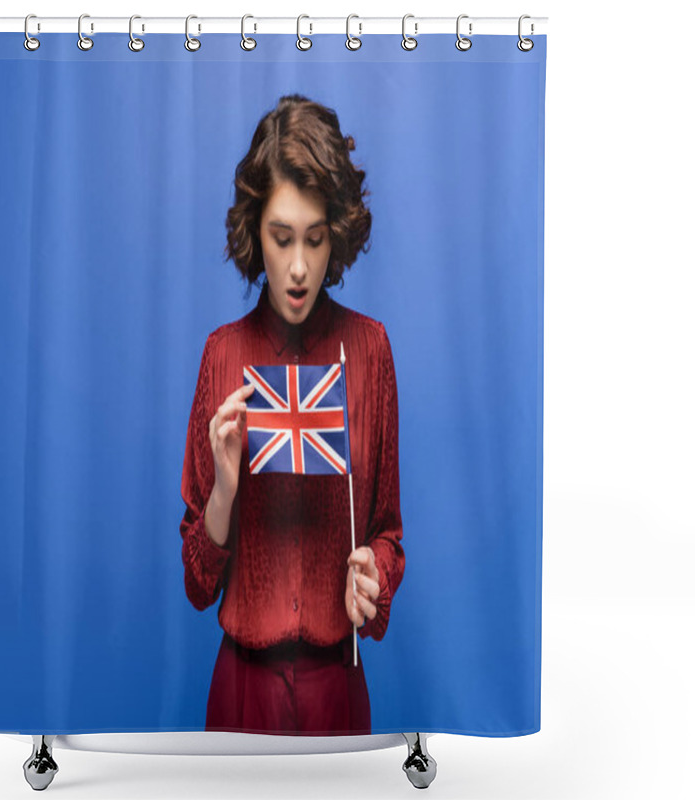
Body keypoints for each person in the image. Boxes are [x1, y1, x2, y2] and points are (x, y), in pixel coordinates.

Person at [180, 94, 404, 736]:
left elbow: (388, 530)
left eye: (315, 238)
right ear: (257, 232)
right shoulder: (222, 355)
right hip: (242, 689)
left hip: (340, 682)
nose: (300, 267)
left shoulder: (369, 350)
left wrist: (374, 579)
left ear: (338, 231)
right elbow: (197, 585)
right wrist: (225, 490)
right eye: (282, 239)